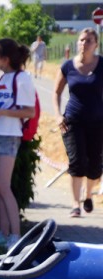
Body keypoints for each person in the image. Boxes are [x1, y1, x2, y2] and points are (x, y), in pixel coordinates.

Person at [0, 39, 35, 248]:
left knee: (3, 185)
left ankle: (15, 236)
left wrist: (1, 113)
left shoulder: (22, 79)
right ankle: (3, 233)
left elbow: (30, 112)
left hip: (9, 136)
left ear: (5, 58)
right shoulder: (4, 78)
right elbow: (2, 105)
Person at [53, 27, 103, 217]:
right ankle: (75, 204)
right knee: (77, 161)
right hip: (72, 121)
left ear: (96, 44)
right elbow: (56, 92)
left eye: (89, 40)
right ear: (77, 43)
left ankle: (88, 195)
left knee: (95, 165)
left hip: (98, 120)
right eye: (82, 40)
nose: (84, 43)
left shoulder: (102, 65)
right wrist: (58, 115)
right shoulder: (67, 66)